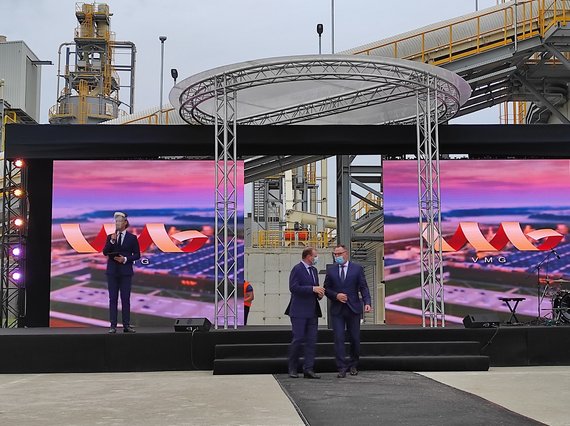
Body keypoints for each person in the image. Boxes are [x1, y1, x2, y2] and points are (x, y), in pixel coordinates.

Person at [324, 244, 371, 378]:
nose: (337, 256)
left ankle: (353, 364)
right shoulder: (331, 270)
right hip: (337, 310)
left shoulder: (357, 269)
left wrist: (367, 302)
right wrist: (336, 295)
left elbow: (364, 287)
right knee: (339, 338)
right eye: (335, 254)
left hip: (353, 309)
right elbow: (326, 289)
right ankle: (341, 367)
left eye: (339, 254)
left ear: (346, 253)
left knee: (355, 338)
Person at [285, 247, 324, 379]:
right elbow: (293, 287)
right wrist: (313, 289)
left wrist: (319, 294)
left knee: (312, 341)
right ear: (308, 256)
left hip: (312, 311)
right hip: (299, 311)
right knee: (298, 339)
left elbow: (315, 288)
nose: (316, 258)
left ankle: (308, 369)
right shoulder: (297, 269)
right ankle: (292, 368)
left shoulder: (314, 270)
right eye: (315, 256)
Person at [102, 211, 141, 334]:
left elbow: (137, 255)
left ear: (125, 223)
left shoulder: (132, 238)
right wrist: (112, 242)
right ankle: (113, 326)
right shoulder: (110, 237)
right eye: (116, 221)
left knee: (125, 299)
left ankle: (126, 325)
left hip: (125, 273)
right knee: (112, 299)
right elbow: (105, 252)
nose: (117, 223)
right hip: (112, 273)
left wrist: (125, 259)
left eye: (119, 221)